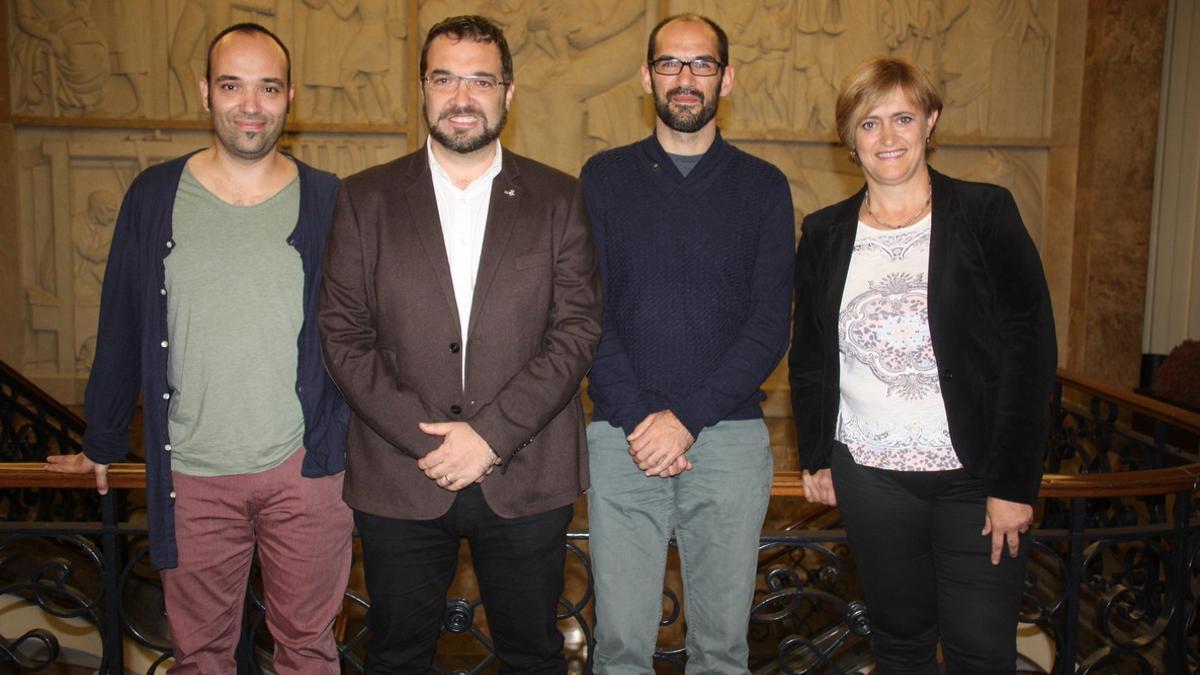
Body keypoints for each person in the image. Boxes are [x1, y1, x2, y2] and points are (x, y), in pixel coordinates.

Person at [45, 23, 352, 674]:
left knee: (308, 651)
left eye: (267, 88)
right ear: (205, 92)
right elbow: (122, 319)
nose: (251, 104)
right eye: (232, 85)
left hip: (306, 472)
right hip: (192, 474)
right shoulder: (155, 197)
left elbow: (360, 329)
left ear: (290, 95)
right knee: (202, 656)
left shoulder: (329, 199)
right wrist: (101, 436)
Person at [318, 15, 602, 673]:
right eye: (445, 79)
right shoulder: (365, 200)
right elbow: (343, 334)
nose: (462, 97)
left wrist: (489, 434)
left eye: (480, 80)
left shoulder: (559, 199)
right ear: (422, 88)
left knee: (533, 656)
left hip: (526, 472)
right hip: (401, 470)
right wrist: (432, 440)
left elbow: (576, 329)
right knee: (396, 655)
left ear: (509, 91)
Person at [789, 56, 1057, 674]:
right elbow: (809, 353)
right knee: (899, 648)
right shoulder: (826, 231)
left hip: (977, 477)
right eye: (869, 123)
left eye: (903, 118)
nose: (887, 138)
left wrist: (1014, 484)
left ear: (930, 122)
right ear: (850, 138)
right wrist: (814, 452)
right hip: (872, 477)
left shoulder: (986, 212)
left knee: (980, 652)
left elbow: (1029, 346)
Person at [580, 14, 795, 673]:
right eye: (670, 64)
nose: (685, 78)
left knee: (723, 649)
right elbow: (586, 311)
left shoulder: (763, 187)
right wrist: (644, 416)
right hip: (622, 438)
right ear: (646, 77)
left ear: (726, 79)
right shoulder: (603, 179)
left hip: (727, 440)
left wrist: (687, 418)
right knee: (617, 647)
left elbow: (769, 325)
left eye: (701, 64)